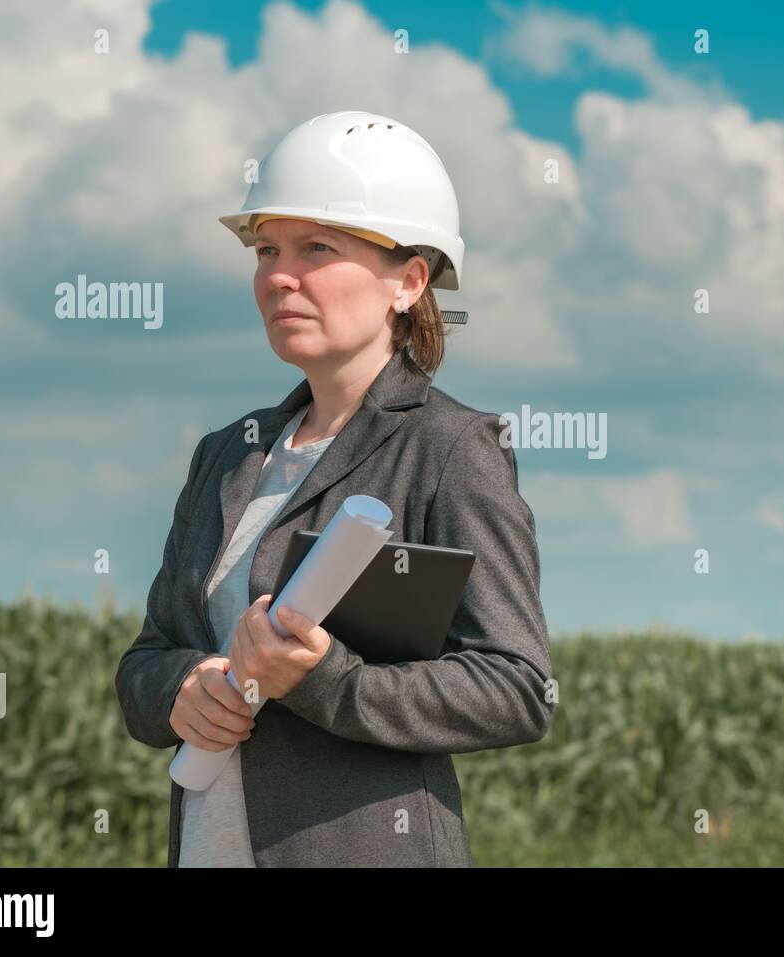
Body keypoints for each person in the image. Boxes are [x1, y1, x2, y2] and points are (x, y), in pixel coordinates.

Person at [114, 111, 555, 867]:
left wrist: (326, 681)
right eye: (268, 249)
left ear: (408, 281)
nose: (279, 274)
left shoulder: (450, 450)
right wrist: (180, 687)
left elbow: (516, 688)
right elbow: (145, 660)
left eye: (318, 247)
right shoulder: (225, 456)